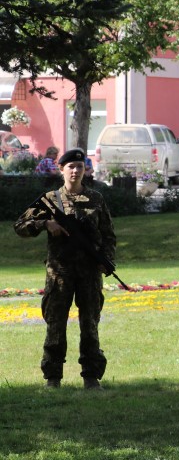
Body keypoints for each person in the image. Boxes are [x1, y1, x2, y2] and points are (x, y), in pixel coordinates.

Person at [14, 147, 116, 390]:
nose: (75, 171)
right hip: (60, 272)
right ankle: (53, 377)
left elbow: (108, 235)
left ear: (85, 170)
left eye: (80, 166)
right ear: (61, 169)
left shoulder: (96, 199)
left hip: (89, 272)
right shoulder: (50, 199)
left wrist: (106, 259)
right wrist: (45, 223)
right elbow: (20, 225)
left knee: (90, 324)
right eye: (71, 166)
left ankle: (91, 377)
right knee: (56, 325)